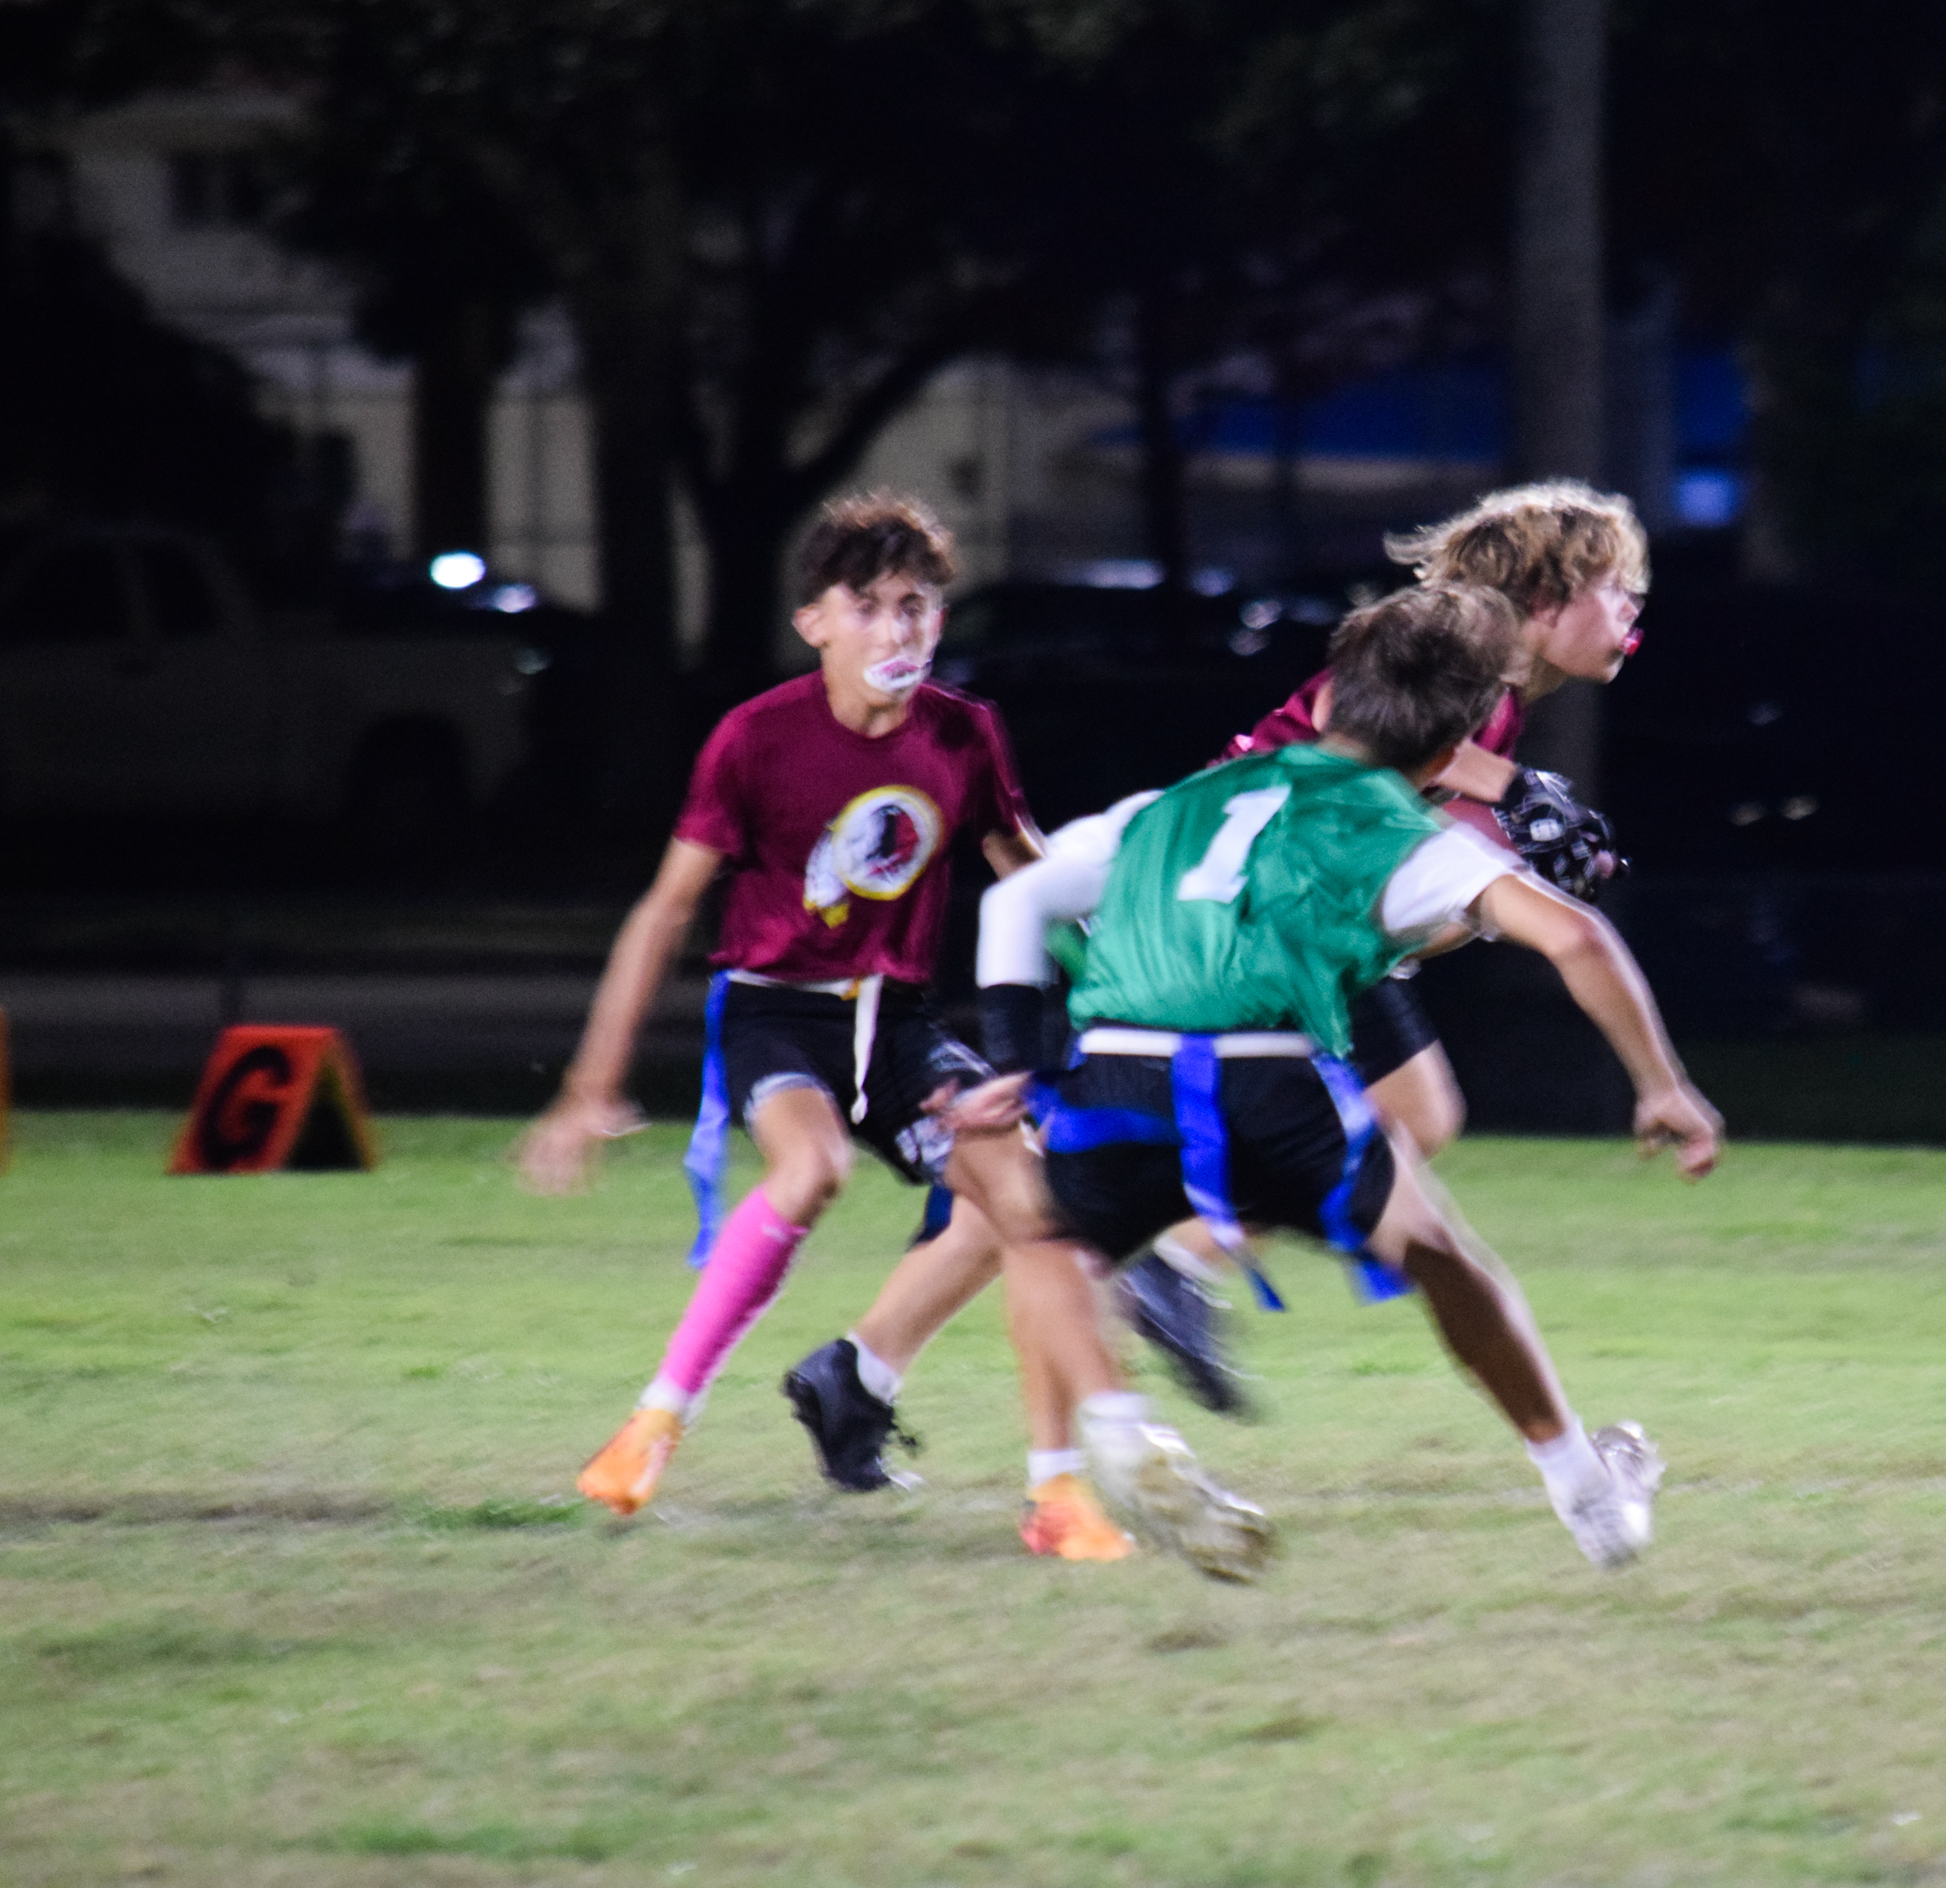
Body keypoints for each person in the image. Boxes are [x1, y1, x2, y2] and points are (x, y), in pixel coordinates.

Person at [939, 578, 1723, 1582]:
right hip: (1274, 1089)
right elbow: (1575, 938)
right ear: (1448, 755)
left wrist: (1013, 1060)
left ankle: (1123, 1433)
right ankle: (1588, 1495)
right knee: (1447, 1261)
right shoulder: (1400, 829)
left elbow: (1022, 900)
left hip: (1123, 1077)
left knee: (1041, 1229)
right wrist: (1663, 1085)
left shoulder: (1171, 804)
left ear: (1326, 699)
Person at [517, 489, 1133, 1562]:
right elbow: (663, 912)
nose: (897, 631)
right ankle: (656, 1422)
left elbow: (1031, 879)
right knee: (810, 1173)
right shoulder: (756, 739)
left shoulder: (965, 733)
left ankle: (1057, 1494)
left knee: (1029, 1203)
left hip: (898, 1026)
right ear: (815, 623)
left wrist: (1134, 976)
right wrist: (590, 1085)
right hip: (777, 1015)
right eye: (870, 606)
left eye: (916, 607)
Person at [1119, 480, 1649, 1408]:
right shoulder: (1445, 660)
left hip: (1293, 911)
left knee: (1417, 1113)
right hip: (1244, 906)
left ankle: (1177, 1263)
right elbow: (1349, 728)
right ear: (1544, 598)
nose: (1631, 606)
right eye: (1613, 585)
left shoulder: (1490, 698)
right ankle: (1165, 1271)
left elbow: (1406, 901)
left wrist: (1494, 884)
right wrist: (1510, 797)